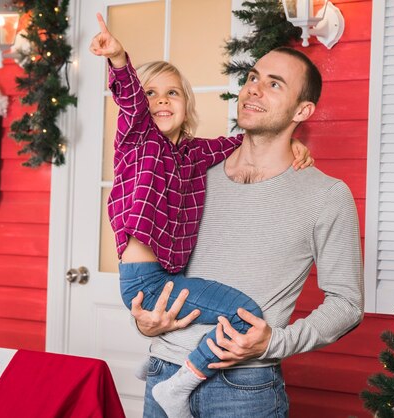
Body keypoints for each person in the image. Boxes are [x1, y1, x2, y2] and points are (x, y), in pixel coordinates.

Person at [89, 13, 315, 418]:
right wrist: (120, 59)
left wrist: (293, 144)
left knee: (240, 314)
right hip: (144, 280)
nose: (160, 100)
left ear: (186, 105)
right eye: (151, 93)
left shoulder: (194, 154)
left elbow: (244, 142)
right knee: (247, 315)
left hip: (168, 278)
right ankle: (179, 385)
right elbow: (130, 100)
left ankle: (159, 367)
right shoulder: (137, 139)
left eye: (172, 93)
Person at [130, 45, 364, 417]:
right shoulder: (191, 170)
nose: (254, 88)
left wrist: (276, 342)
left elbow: (346, 303)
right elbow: (149, 260)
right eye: (253, 77)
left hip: (244, 390)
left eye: (274, 84)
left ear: (302, 111)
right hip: (163, 370)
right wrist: (144, 320)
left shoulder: (326, 196)